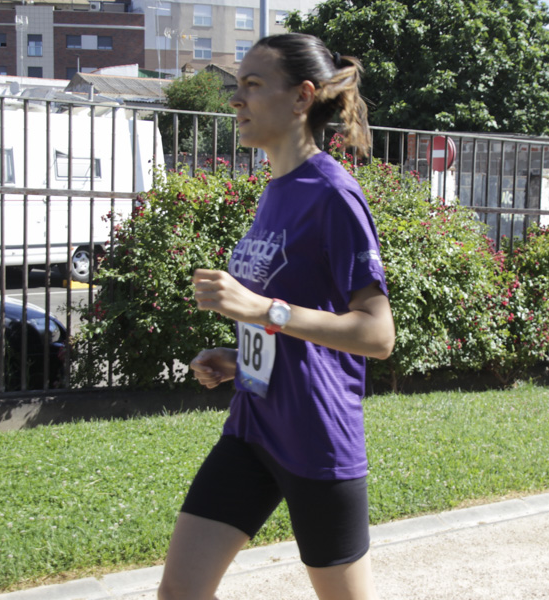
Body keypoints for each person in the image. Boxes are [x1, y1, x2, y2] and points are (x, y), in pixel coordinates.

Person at [157, 33, 395, 600]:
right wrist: (242, 361)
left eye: (253, 85)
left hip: (317, 439)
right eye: (237, 87)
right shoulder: (276, 191)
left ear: (301, 98)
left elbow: (376, 333)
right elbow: (291, 322)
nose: (236, 100)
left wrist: (263, 309)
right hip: (254, 426)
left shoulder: (333, 193)